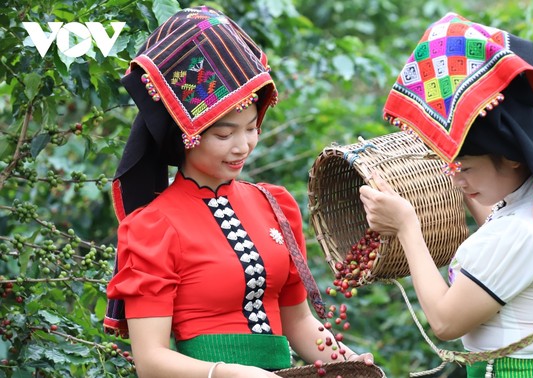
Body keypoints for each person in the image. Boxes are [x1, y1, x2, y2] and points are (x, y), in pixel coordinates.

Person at [104, 6, 373, 378]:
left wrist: (349, 362)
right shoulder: (152, 227)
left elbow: (298, 323)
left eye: (251, 128)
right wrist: (226, 373)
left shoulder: (275, 205)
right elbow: (151, 362)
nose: (243, 146)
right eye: (224, 134)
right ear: (185, 135)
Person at [359, 13, 533, 378]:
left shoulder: (520, 234)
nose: (456, 178)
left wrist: (407, 226)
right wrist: (467, 187)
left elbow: (445, 321)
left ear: (513, 159)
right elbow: (505, 248)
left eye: (466, 168)